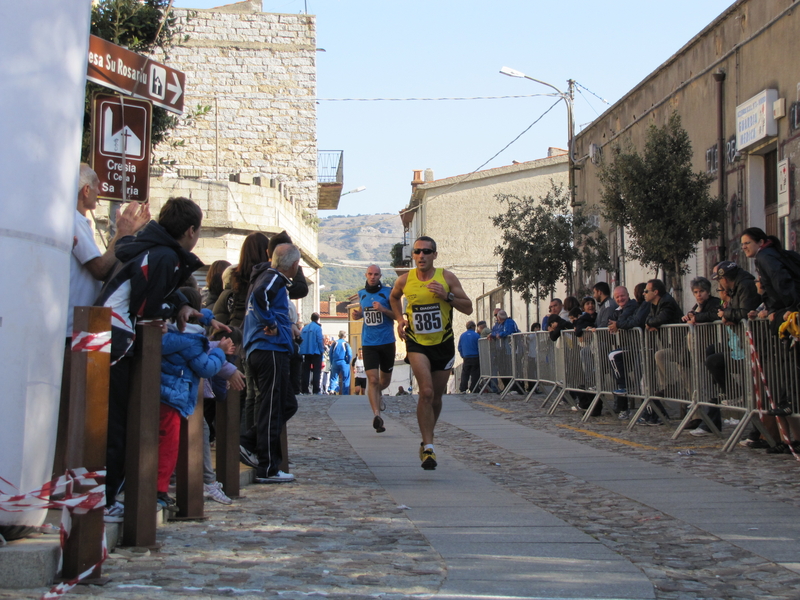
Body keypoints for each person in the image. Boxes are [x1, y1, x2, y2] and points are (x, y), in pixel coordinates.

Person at [95, 197, 223, 522]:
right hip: (118, 339)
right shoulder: (165, 255)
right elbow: (147, 307)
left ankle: (108, 496)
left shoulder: (153, 247)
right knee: (119, 425)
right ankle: (105, 500)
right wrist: (171, 308)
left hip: (107, 335)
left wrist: (179, 302)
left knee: (119, 423)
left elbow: (156, 292)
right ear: (191, 230)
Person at [56, 164, 149, 477]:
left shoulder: (80, 221)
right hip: (74, 326)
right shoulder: (72, 220)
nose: (100, 191)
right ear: (85, 190)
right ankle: (67, 478)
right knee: (75, 410)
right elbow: (98, 268)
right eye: (96, 187)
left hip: (84, 325)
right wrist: (123, 235)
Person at [390, 236, 473, 470]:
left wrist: (447, 296)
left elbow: (468, 308)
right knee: (425, 391)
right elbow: (394, 297)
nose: (421, 256)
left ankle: (427, 437)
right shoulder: (406, 280)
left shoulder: (446, 277)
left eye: (426, 252)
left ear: (435, 255)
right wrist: (399, 319)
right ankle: (429, 447)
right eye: (417, 252)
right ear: (413, 255)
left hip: (443, 344)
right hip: (417, 343)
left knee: (436, 397)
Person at [157, 290, 230, 512]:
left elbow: (199, 313)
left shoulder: (167, 332)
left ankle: (161, 486)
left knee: (160, 442)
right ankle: (159, 491)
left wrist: (209, 318)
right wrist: (221, 353)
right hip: (176, 396)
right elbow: (206, 368)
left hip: (160, 392)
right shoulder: (192, 342)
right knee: (169, 445)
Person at [238, 243, 301, 484]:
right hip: (269, 349)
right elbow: (260, 295)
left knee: (286, 404)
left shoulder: (267, 276)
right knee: (272, 406)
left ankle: (248, 442)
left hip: (263, 349)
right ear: (294, 265)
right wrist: (271, 323)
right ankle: (268, 467)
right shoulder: (273, 278)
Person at [352, 264, 396, 432]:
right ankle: (377, 416)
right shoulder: (361, 294)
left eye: (376, 274)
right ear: (366, 275)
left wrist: (384, 309)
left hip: (386, 342)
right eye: (370, 274)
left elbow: (396, 316)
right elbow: (364, 312)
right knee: (373, 380)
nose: (372, 277)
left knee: (384, 381)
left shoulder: (388, 292)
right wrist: (359, 315)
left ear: (380, 276)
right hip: (369, 343)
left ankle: (378, 396)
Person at [642, 278, 683, 425]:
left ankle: (670, 386)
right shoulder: (654, 304)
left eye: (647, 291)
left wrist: (652, 323)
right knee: (659, 356)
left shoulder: (666, 302)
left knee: (660, 356)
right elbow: (649, 319)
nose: (644, 293)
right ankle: (668, 386)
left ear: (655, 292)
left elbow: (662, 318)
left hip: (680, 345)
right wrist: (651, 323)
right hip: (671, 345)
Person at [606, 285, 641, 419]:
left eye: (622, 296)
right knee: (618, 372)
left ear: (628, 295)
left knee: (613, 356)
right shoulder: (617, 310)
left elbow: (621, 320)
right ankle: (623, 406)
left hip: (636, 347)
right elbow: (610, 321)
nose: (620, 299)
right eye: (617, 297)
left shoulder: (632, 305)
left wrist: (618, 323)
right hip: (627, 347)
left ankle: (625, 387)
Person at [299, 313, 325, 394]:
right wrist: (322, 350)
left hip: (306, 352)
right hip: (316, 352)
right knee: (316, 371)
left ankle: (304, 389)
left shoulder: (304, 328)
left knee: (305, 371)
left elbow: (301, 340)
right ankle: (316, 389)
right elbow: (320, 340)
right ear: (318, 318)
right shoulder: (318, 328)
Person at [457, 321, 480, 393]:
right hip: (475, 356)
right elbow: (480, 346)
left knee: (465, 373)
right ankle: (474, 388)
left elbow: (459, 347)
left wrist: (462, 355)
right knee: (475, 374)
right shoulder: (477, 335)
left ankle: (463, 388)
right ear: (473, 327)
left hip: (466, 357)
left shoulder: (462, 335)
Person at [329, 331, 352, 395]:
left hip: (335, 361)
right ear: (345, 336)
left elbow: (330, 353)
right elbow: (349, 354)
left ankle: (332, 390)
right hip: (343, 361)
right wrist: (348, 361)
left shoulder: (334, 343)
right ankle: (345, 393)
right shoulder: (346, 343)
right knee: (345, 378)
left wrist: (332, 362)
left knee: (334, 377)